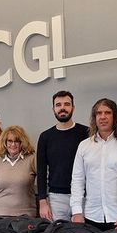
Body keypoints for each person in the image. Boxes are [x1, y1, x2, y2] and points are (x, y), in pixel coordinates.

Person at [70, 99, 117, 233]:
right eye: (99, 113)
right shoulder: (84, 146)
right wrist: (77, 211)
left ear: (115, 116)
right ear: (94, 118)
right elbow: (77, 181)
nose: (103, 117)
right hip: (91, 217)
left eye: (107, 113)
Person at [36, 90, 89, 221]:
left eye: (67, 104)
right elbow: (41, 171)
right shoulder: (45, 137)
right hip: (56, 198)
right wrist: (42, 201)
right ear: (53, 109)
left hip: (83, 196)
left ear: (73, 108)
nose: (62, 108)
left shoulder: (86, 133)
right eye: (58, 105)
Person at [0, 125, 37, 217]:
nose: (13, 144)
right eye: (10, 141)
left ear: (22, 142)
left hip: (26, 215)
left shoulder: (32, 159)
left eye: (17, 141)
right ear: (5, 142)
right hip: (1, 215)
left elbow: (44, 181)